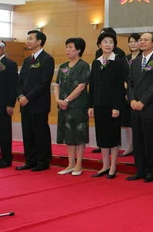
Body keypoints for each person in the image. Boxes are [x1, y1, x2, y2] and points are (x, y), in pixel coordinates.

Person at [127, 32, 153, 183]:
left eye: (145, 40)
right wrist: (132, 100)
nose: (142, 42)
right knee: (138, 140)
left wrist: (142, 101)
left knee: (150, 140)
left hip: (150, 106)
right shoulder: (135, 62)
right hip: (135, 106)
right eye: (140, 40)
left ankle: (151, 170)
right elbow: (130, 83)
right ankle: (140, 169)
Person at [88, 32, 126, 179]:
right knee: (102, 135)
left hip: (113, 106)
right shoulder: (96, 62)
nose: (108, 44)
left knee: (113, 135)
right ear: (99, 45)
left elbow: (119, 86)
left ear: (114, 45)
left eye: (111, 42)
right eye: (105, 42)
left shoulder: (118, 62)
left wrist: (117, 107)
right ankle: (105, 165)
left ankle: (114, 166)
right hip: (98, 104)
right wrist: (91, 105)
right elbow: (92, 84)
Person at [16, 30, 55, 172]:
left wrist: (28, 97)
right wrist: (20, 96)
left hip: (39, 103)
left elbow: (44, 83)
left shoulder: (47, 59)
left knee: (40, 132)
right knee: (27, 133)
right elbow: (19, 82)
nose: (27, 41)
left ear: (39, 41)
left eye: (30, 38)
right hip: (24, 103)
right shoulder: (27, 60)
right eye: (27, 38)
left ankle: (43, 161)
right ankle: (30, 160)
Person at [54, 38, 90, 176]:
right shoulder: (63, 66)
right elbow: (56, 84)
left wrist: (67, 100)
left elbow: (81, 86)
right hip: (63, 106)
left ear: (79, 49)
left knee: (79, 135)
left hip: (78, 106)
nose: (67, 50)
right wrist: (58, 100)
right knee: (68, 135)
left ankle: (79, 164)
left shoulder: (83, 66)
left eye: (70, 47)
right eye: (66, 47)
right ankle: (70, 163)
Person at [0, 40, 17, 168]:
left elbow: (12, 86)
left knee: (3, 133)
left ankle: (6, 159)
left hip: (2, 105)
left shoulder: (10, 64)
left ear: (3, 48)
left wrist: (10, 104)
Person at [120, 34, 141, 157]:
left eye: (135, 41)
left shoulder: (142, 58)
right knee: (127, 122)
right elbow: (122, 75)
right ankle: (129, 146)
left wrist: (132, 90)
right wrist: (127, 89)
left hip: (138, 94)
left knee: (137, 122)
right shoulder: (125, 59)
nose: (132, 44)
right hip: (126, 93)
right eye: (130, 41)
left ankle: (137, 147)